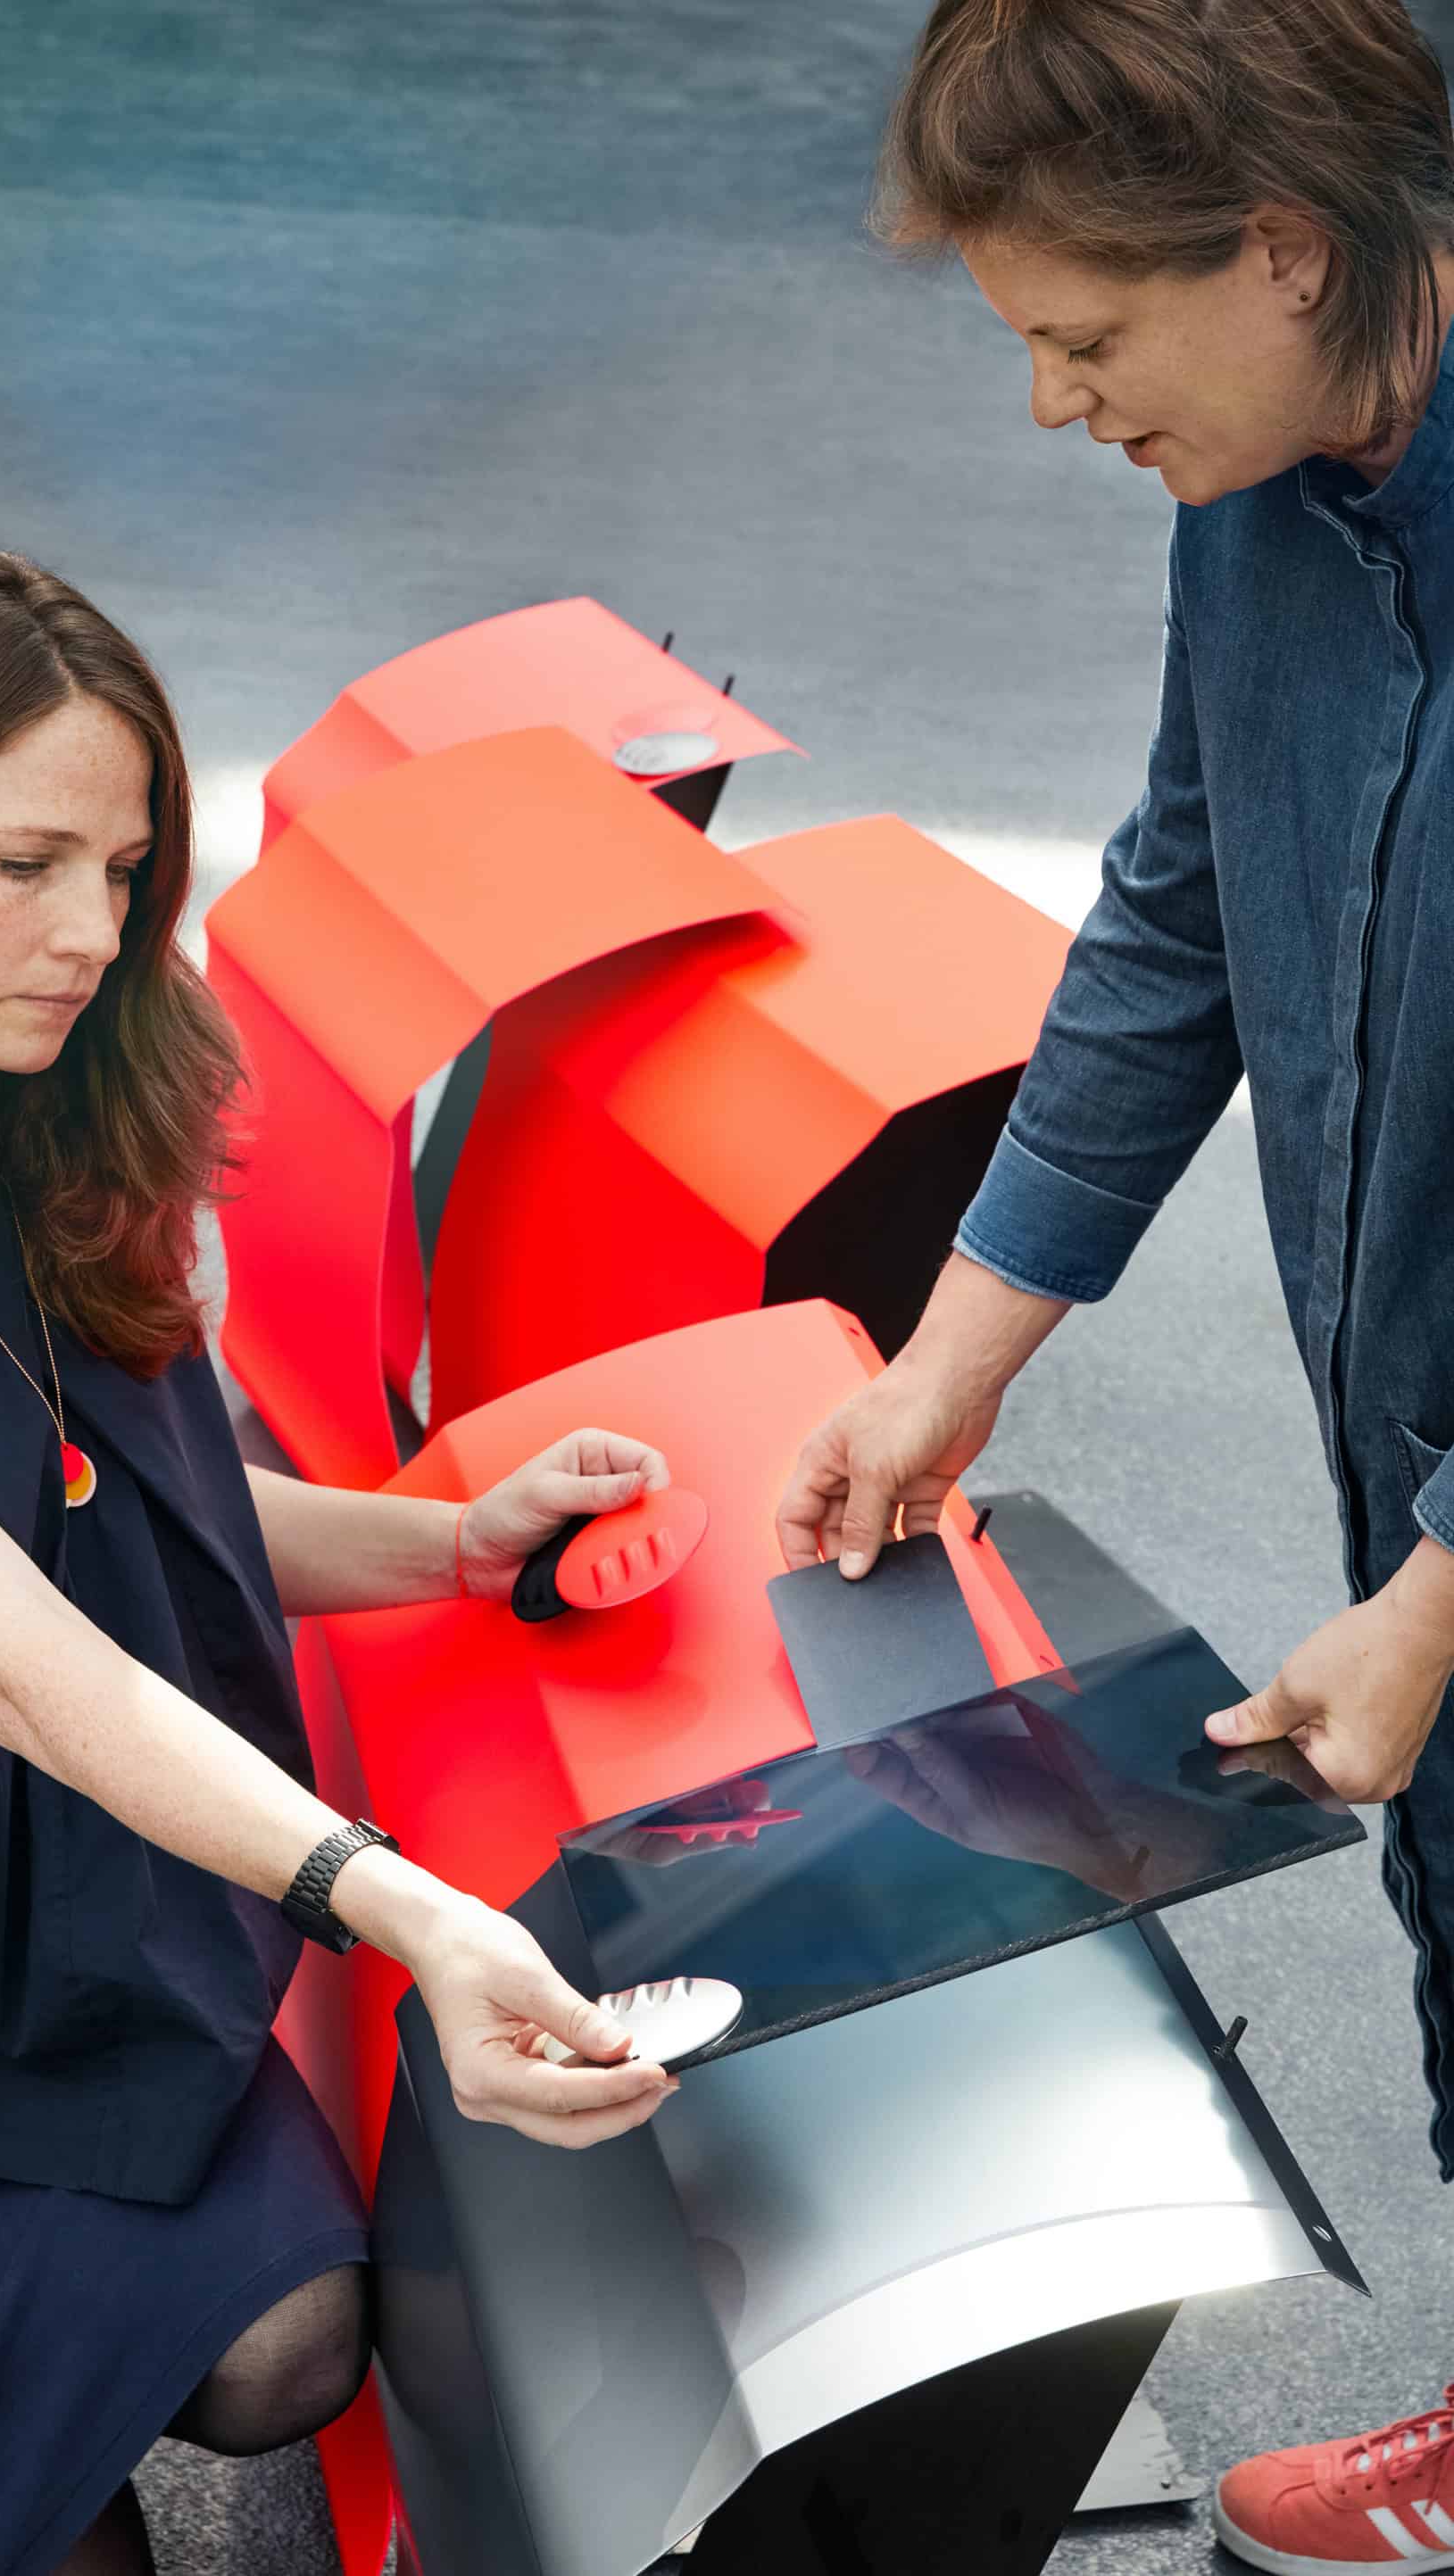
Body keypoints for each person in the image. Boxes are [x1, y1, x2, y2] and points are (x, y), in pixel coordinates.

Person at [0, 546, 680, 2576]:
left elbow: (103, 1502)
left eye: (123, 869)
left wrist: (453, 1545)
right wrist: (408, 1914)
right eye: (23, 866)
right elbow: (15, 1653)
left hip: (17, 1932)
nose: (91, 935)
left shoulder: (28, 1098)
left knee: (282, 2346)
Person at [776, 2, 1454, 2566]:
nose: (1055, 404)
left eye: (1084, 336)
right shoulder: (1258, 500)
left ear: (1283, 250)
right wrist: (948, 1364)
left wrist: (1442, 1588)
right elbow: (1176, 907)